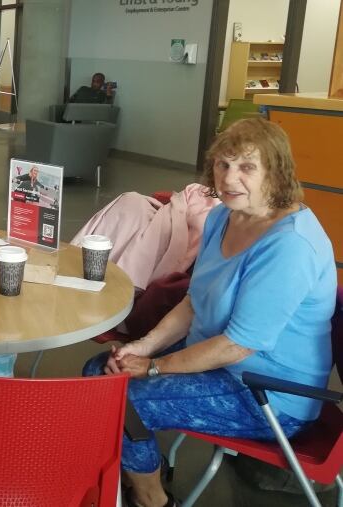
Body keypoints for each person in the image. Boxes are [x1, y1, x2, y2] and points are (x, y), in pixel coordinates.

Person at [82, 118, 336, 507]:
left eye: (247, 167)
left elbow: (238, 346)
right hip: (218, 363)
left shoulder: (291, 245)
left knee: (121, 398)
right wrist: (143, 347)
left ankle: (152, 499)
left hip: (266, 393)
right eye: (223, 164)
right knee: (99, 371)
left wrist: (152, 368)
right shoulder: (223, 216)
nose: (229, 178)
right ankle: (145, 466)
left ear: (277, 172)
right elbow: (193, 302)